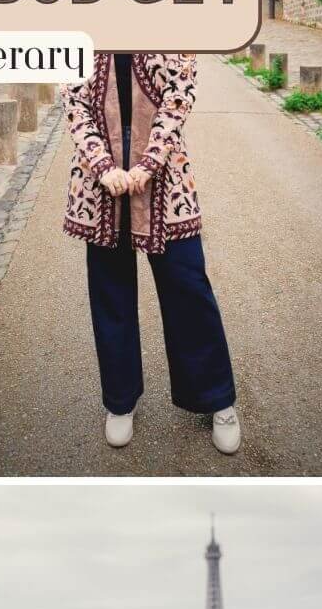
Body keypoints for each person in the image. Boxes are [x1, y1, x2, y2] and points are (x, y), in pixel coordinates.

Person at [64, 51, 240, 455]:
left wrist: (147, 163)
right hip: (98, 180)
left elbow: (178, 95)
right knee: (111, 293)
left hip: (165, 179)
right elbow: (74, 101)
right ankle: (120, 401)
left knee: (188, 286)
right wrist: (103, 165)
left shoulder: (168, 15)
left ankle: (218, 399)